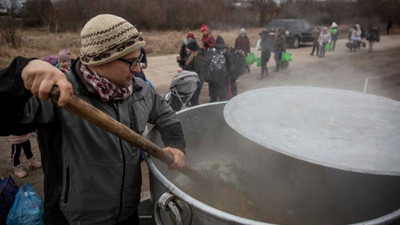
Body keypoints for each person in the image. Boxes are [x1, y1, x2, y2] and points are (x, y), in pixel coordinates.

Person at [0, 14, 186, 225]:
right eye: (131, 61)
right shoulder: (59, 95)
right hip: (76, 220)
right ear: (101, 60)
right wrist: (18, 74)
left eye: (139, 59)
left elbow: (165, 115)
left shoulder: (141, 90)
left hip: (127, 212)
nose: (138, 69)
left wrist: (176, 144)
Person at [206, 36, 232, 102]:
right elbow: (230, 66)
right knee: (223, 97)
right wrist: (228, 75)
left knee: (213, 97)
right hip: (223, 78)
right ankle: (221, 111)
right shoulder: (226, 52)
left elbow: (207, 63)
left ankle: (212, 111)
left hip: (213, 78)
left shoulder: (210, 51)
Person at [181, 40, 203, 106]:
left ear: (191, 49)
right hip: (191, 81)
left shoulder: (198, 57)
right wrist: (180, 61)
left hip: (196, 82)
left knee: (194, 100)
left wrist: (184, 72)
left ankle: (196, 114)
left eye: (187, 48)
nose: (186, 49)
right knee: (190, 100)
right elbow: (186, 66)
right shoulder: (190, 55)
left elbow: (197, 71)